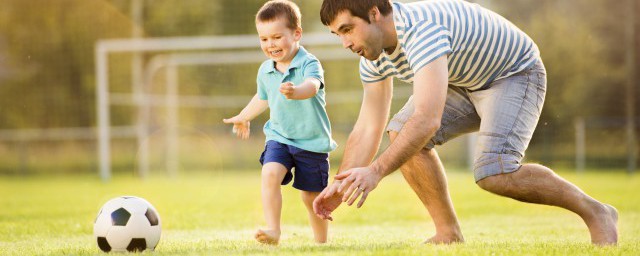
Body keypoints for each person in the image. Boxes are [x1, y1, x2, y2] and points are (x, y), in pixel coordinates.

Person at [312, 0, 618, 245]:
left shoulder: (421, 31)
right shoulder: (372, 57)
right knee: (399, 133)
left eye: (348, 29)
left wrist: (376, 171)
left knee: (494, 173)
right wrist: (341, 185)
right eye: (337, 34)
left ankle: (596, 211)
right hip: (464, 81)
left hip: (513, 73)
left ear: (375, 13)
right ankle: (448, 233)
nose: (345, 43)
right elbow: (368, 126)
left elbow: (427, 120)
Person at [223, 0, 337, 245]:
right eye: (264, 39)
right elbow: (262, 97)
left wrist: (296, 91)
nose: (270, 44)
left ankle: (321, 242)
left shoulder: (309, 63)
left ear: (296, 34)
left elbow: (313, 86)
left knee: (311, 197)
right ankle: (273, 230)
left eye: (276, 37)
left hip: (311, 142)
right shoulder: (265, 70)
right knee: (270, 173)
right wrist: (244, 116)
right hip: (280, 137)